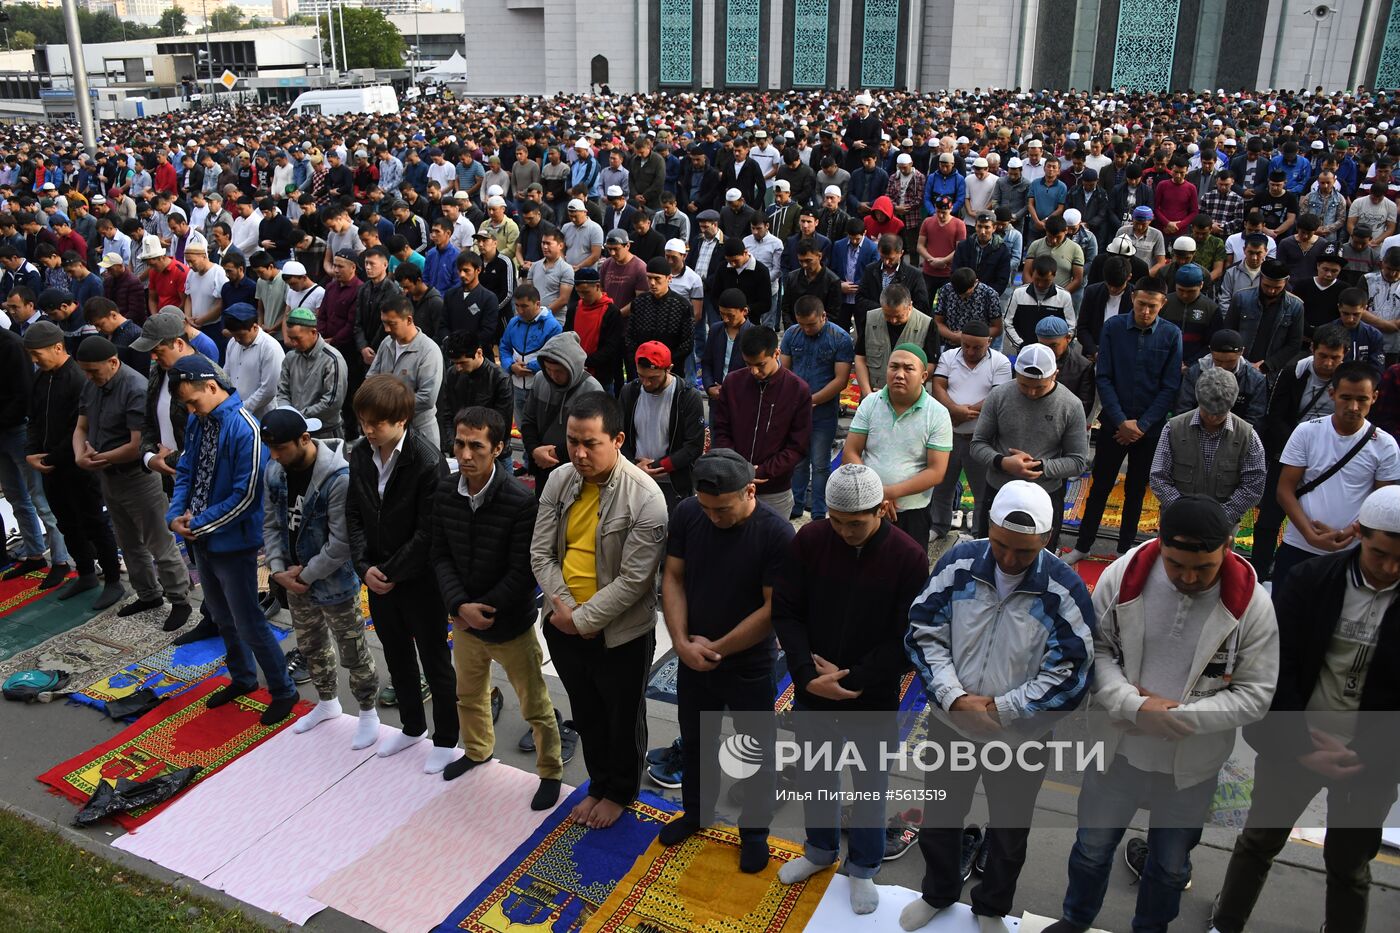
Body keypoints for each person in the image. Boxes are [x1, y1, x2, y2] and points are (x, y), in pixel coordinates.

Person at [1044, 496, 1277, 933]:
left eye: (1203, 569)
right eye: (1176, 566)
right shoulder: (1125, 575)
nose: (1188, 578)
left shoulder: (1252, 604)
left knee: (1170, 866)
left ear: (1228, 547)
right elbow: (1096, 649)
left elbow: (1256, 694)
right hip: (1117, 753)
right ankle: (1076, 921)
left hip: (1190, 767)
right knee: (1091, 848)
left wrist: (1180, 719)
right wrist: (1135, 707)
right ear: (1160, 543)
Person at [903, 481, 1095, 933]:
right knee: (942, 815)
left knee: (1009, 832)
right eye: (1002, 545)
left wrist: (1002, 709)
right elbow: (923, 629)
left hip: (1020, 734)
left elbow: (1071, 670)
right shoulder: (960, 562)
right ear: (987, 526)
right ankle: (938, 892)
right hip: (953, 723)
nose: (1009, 559)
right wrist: (955, 698)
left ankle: (990, 907)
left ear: (1047, 540)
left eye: (1023, 553)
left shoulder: (1062, 589)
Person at [1210, 485, 1400, 933]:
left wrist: (1370, 757)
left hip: (1369, 763)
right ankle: (1227, 921)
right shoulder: (1311, 580)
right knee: (1258, 842)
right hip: (1297, 745)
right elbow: (1274, 669)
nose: (1389, 568)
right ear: (1358, 534)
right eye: (1379, 555)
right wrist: (1297, 745)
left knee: (1350, 865)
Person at [771, 462, 929, 915]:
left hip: (871, 695)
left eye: (855, 524)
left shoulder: (908, 556)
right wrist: (805, 673)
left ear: (882, 509)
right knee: (817, 777)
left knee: (869, 787)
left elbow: (909, 637)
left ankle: (863, 867)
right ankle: (819, 851)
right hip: (812, 686)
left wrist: (855, 680)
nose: (844, 532)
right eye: (836, 521)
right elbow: (786, 611)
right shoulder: (812, 540)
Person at [528, 391, 667, 830]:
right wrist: (567, 612)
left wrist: (585, 620)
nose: (580, 453)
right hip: (564, 624)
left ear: (619, 439)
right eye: (573, 441)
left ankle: (621, 791)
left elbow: (635, 580)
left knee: (621, 717)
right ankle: (600, 781)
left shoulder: (645, 498)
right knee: (586, 712)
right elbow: (541, 554)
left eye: (591, 443)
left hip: (621, 633)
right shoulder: (560, 480)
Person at [655, 449, 793, 874]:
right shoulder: (688, 514)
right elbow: (673, 577)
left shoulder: (776, 534)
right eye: (707, 508)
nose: (713, 517)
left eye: (723, 509)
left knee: (755, 751)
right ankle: (697, 813)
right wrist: (681, 642)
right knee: (696, 740)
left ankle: (754, 833)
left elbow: (772, 610)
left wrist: (716, 649)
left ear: (751, 491)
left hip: (747, 661)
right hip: (694, 654)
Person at [432, 405, 564, 803]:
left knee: (535, 705)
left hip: (509, 626)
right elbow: (439, 555)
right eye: (459, 444)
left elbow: (523, 572)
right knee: (469, 696)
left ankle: (551, 771)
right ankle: (476, 751)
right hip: (465, 622)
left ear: (499, 448)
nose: (465, 454)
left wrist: (483, 609)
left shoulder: (520, 502)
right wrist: (459, 606)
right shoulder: (444, 491)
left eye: (476, 446)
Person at [164, 355, 298, 725]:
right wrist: (175, 515)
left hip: (233, 542)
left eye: (194, 401)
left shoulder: (245, 429)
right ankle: (242, 678)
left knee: (248, 621)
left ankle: (283, 689)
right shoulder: (199, 420)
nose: (191, 409)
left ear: (212, 386)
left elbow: (245, 495)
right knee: (222, 616)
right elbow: (187, 470)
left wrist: (198, 522)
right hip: (202, 537)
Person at [346, 375, 459, 769]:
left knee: (434, 659)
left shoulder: (427, 461)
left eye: (377, 422)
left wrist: (390, 570)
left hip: (419, 580)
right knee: (396, 656)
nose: (369, 430)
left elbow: (430, 530)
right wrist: (365, 568)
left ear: (402, 419)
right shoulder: (361, 454)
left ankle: (447, 737)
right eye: (363, 421)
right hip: (378, 576)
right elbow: (354, 515)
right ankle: (413, 727)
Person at [261, 407, 383, 753]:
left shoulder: (338, 478)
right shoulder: (276, 470)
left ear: (304, 440)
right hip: (293, 578)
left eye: (281, 448)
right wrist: (278, 567)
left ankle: (368, 711)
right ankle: (328, 702)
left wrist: (308, 574)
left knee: (353, 650)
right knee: (311, 646)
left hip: (332, 582)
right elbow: (270, 522)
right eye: (271, 448)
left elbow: (342, 542)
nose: (274, 455)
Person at [1065, 278, 1183, 563]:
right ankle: (1083, 544)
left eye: (1152, 307)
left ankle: (1125, 549)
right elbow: (1103, 376)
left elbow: (1170, 386)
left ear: (1162, 304)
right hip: (1114, 425)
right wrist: (1120, 422)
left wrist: (1141, 426)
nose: (1145, 312)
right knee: (1100, 485)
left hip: (1148, 430)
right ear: (1133, 298)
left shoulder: (1170, 334)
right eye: (1141, 304)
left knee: (1136, 490)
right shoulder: (1114, 328)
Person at [1272, 361, 1400, 584]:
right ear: (1332, 394)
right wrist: (1310, 535)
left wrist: (1349, 532)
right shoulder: (1306, 432)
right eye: (1346, 398)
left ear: (1375, 397)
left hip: (1352, 552)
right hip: (1298, 544)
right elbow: (1284, 490)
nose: (1353, 407)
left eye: (1362, 399)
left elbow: (1383, 504)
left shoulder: (1385, 445)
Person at [24, 324, 124, 608]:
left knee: (93, 522)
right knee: (67, 522)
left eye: (37, 354)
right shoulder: (41, 378)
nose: (34, 360)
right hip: (49, 466)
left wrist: (48, 458)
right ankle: (85, 572)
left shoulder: (79, 378)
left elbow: (78, 428)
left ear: (57, 347)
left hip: (77, 466)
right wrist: (32, 452)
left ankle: (114, 579)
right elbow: (34, 419)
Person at [1251, 324, 1350, 580]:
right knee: (1270, 518)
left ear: (1345, 355)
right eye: (1323, 356)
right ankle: (1260, 573)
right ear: (1312, 349)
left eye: (1335, 358)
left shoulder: (1351, 381)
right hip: (1288, 454)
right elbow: (1275, 417)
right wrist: (1300, 446)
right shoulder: (1293, 373)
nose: (1328, 363)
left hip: (1331, 461)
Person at [843, 343, 953, 552]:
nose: (899, 374)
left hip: (911, 511)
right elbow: (851, 452)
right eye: (894, 367)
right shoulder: (871, 403)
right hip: (867, 506)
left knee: (907, 572)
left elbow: (936, 471)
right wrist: (876, 493)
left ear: (923, 376)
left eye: (908, 368)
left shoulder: (937, 413)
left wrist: (890, 492)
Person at [711, 325, 813, 518]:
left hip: (775, 489)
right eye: (748, 364)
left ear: (777, 353)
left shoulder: (797, 390)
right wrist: (738, 468)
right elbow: (721, 430)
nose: (754, 371)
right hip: (734, 484)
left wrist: (763, 471)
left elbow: (798, 446)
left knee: (772, 544)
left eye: (760, 364)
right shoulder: (733, 383)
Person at [929, 320, 1014, 550]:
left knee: (982, 491)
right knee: (942, 485)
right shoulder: (948, 357)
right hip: (949, 435)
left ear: (989, 342)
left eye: (976, 347)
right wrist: (954, 410)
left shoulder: (1001, 362)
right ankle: (938, 525)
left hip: (980, 438)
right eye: (966, 346)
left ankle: (978, 533)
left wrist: (964, 413)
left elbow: (997, 397)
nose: (970, 351)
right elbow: (938, 386)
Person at [1150, 367, 1266, 526]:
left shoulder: (1248, 436)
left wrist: (1218, 517)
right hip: (1177, 521)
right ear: (1198, 400)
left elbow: (1253, 486)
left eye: (1219, 413)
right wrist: (1184, 512)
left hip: (1221, 526)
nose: (1212, 417)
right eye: (1207, 410)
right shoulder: (1173, 429)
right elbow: (1159, 477)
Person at [0, 322, 69, 586]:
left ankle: (61, 559)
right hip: (4, 430)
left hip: (17, 430)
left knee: (39, 497)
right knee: (16, 496)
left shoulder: (10, 346)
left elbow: (22, 396)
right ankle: (34, 553)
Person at [781, 294, 854, 521]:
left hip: (823, 410)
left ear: (823, 316)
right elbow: (784, 371)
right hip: (795, 411)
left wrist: (812, 400)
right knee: (798, 460)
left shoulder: (840, 338)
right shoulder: (792, 334)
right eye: (802, 324)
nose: (806, 329)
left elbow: (841, 380)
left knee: (820, 463)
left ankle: (820, 511)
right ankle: (796, 504)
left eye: (811, 324)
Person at [619, 342, 705, 515]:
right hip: (634, 478)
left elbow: (693, 446)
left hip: (673, 483)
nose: (647, 383)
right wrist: (634, 466)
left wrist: (657, 466)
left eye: (653, 378)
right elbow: (619, 436)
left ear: (669, 369)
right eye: (641, 376)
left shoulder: (687, 397)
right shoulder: (630, 392)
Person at [521, 331, 604, 494]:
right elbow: (528, 420)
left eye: (558, 371)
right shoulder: (540, 380)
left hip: (575, 468)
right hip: (541, 464)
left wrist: (555, 453)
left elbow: (593, 437)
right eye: (548, 369)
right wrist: (534, 450)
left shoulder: (592, 389)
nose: (552, 375)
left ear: (572, 366)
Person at [365, 295, 443, 451]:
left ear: (408, 320)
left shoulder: (429, 350)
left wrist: (389, 405)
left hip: (420, 430)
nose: (387, 329)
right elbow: (371, 379)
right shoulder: (387, 343)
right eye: (384, 323)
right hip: (388, 431)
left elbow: (427, 398)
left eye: (392, 324)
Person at [1222, 258, 1305, 383]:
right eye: (1267, 286)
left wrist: (1268, 365)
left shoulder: (1296, 306)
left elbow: (1294, 343)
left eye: (1277, 287)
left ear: (1286, 281)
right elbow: (1228, 332)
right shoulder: (1240, 298)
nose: (1271, 291)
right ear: (1260, 277)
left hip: (1271, 373)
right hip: (1237, 366)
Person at [275, 307, 348, 440]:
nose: (293, 343)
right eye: (291, 338)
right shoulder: (290, 357)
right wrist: (288, 413)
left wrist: (298, 416)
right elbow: (282, 391)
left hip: (325, 432)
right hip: (296, 431)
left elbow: (332, 402)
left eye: (297, 339)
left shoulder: (332, 359)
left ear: (313, 332)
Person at [438, 331, 513, 460]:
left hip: (491, 453)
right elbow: (446, 413)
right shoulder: (452, 374)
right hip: (461, 447)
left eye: (463, 363)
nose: (458, 368)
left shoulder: (499, 379)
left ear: (479, 353)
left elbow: (501, 425)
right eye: (455, 363)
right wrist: (454, 445)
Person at [854, 282, 933, 397]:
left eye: (898, 316)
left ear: (910, 306)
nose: (893, 321)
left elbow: (931, 364)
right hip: (873, 394)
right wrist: (868, 394)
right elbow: (860, 358)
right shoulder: (870, 319)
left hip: (908, 398)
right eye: (887, 315)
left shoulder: (927, 324)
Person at [1178, 329, 1269, 429]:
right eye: (1218, 361)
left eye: (1230, 361)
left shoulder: (1255, 380)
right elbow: (1183, 410)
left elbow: (1255, 420)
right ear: (1210, 351)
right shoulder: (1195, 373)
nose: (1223, 366)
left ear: (1241, 352)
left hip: (1237, 436)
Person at [563, 266, 625, 390]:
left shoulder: (612, 312)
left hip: (601, 375)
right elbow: (566, 337)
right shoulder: (574, 309)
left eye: (586, 292)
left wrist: (585, 362)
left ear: (597, 286)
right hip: (576, 372)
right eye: (579, 292)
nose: (582, 297)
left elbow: (611, 347)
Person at [220, 302, 285, 418]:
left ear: (255, 327)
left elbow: (269, 390)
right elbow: (227, 374)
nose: (237, 339)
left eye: (241, 335)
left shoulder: (270, 348)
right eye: (233, 335)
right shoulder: (233, 343)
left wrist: (242, 409)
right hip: (236, 413)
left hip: (262, 416)